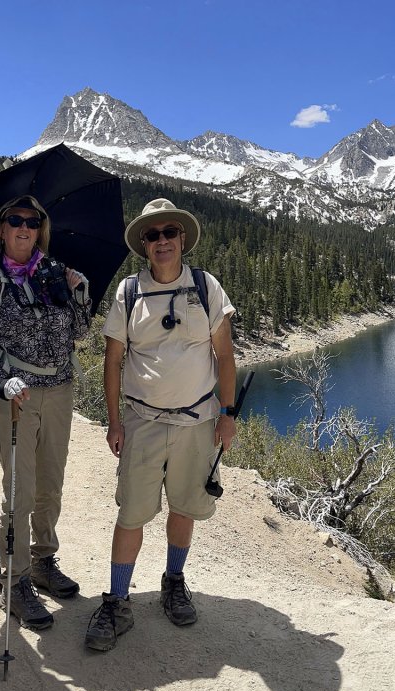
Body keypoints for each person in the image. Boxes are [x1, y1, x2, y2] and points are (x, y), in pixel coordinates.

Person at [84, 198, 236, 652]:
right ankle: (117, 600)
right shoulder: (129, 292)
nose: (162, 241)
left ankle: (173, 581)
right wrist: (114, 421)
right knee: (132, 513)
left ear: (182, 238)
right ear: (144, 244)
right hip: (143, 421)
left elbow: (225, 356)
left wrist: (228, 415)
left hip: (197, 421)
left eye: (170, 232)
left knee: (184, 506)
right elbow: (113, 361)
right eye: (153, 235)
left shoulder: (206, 287)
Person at [0, 195, 90, 631]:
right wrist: (2, 381)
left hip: (59, 390)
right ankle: (14, 579)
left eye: (32, 222)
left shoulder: (54, 272)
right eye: (15, 220)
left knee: (50, 483)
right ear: (1, 228)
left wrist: (79, 293)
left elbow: (79, 332)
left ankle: (42, 561)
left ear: (41, 229)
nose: (23, 228)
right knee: (20, 488)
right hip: (15, 396)